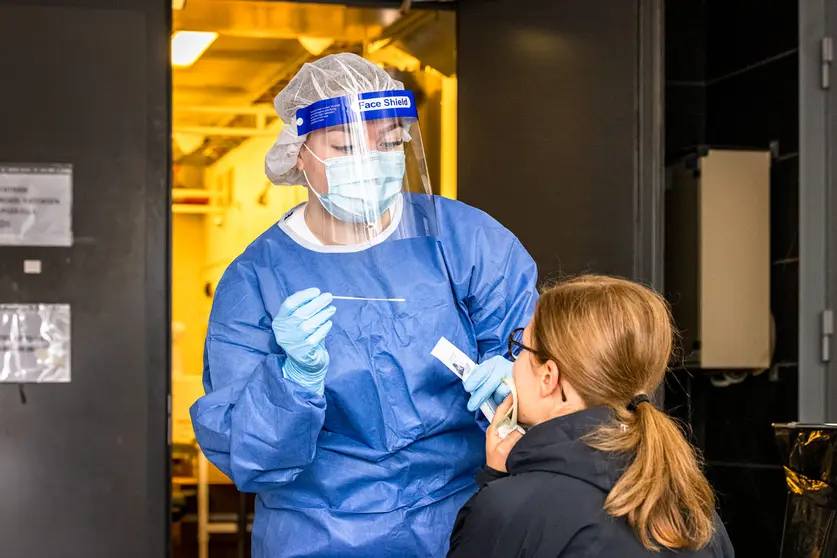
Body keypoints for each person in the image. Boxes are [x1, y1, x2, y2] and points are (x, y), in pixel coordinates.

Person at [190, 53, 538, 557]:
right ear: (297, 153)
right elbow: (248, 454)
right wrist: (292, 382)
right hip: (317, 530)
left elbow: (545, 374)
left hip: (461, 518)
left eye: (390, 143)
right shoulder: (257, 278)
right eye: (345, 145)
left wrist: (514, 380)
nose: (371, 161)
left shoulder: (464, 241)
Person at [448, 275, 735, 558]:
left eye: (520, 349)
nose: (513, 364)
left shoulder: (508, 511)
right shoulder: (695, 512)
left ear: (548, 377)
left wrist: (495, 483)